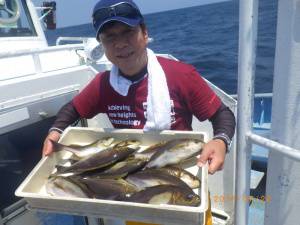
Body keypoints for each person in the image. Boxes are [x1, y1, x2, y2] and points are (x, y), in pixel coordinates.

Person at [42, 0, 235, 224]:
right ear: (102, 44)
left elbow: (222, 114)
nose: (120, 43)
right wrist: (55, 132)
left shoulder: (180, 75)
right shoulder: (103, 84)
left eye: (128, 32)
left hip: (181, 183)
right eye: (109, 37)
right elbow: (72, 109)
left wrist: (221, 141)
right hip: (136, 193)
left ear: (144, 32)